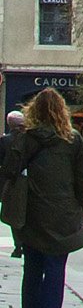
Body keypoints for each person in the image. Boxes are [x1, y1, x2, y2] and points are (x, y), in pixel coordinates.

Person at [0, 88, 83, 308]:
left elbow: (9, 171)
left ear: (34, 111)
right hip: (62, 212)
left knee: (32, 261)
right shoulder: (73, 141)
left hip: (31, 209)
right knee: (55, 265)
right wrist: (78, 204)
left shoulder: (26, 139)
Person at [1, 110, 27, 257]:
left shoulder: (5, 141)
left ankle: (18, 245)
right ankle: (25, 244)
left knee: (13, 215)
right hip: (29, 183)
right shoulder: (30, 139)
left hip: (11, 184)